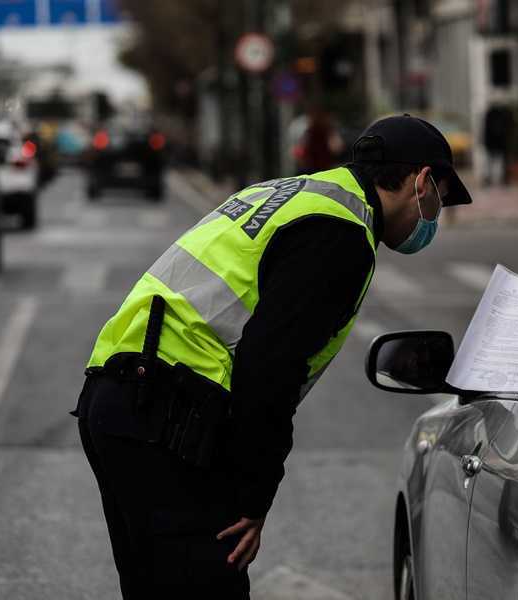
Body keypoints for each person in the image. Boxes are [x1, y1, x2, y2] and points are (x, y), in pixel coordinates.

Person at [73, 115, 472, 599]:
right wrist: (253, 498)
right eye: (440, 201)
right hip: (165, 414)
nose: (435, 217)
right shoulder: (342, 234)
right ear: (422, 181)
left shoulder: (293, 192)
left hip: (117, 397)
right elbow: (269, 371)